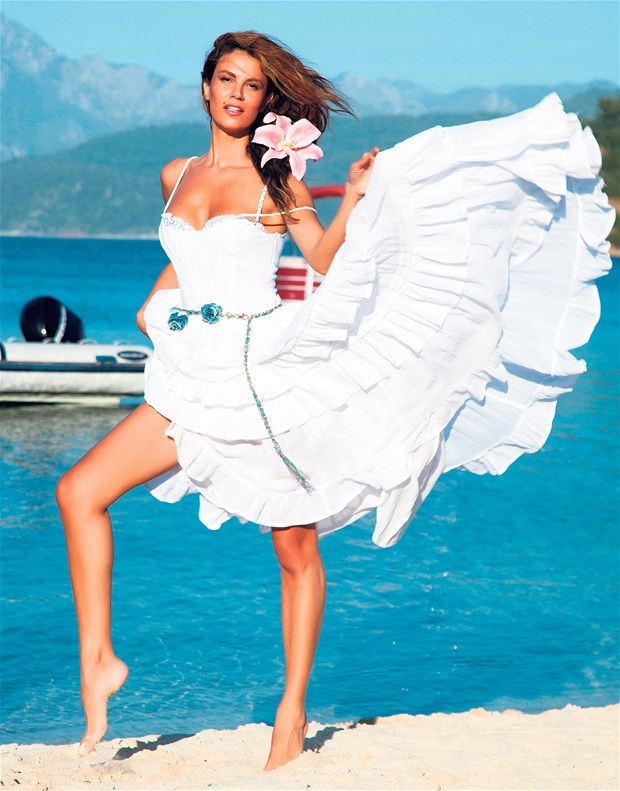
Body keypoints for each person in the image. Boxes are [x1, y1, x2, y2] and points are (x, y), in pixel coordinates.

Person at [55, 30, 615, 773]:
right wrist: (156, 304)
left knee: (293, 545)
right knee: (79, 491)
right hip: (190, 372)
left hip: (263, 374)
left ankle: (291, 711)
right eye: (226, 79)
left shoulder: (277, 178)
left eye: (252, 85)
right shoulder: (175, 173)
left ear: (265, 101)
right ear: (205, 86)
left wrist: (350, 198)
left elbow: (322, 258)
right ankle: (98, 661)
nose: (236, 94)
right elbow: (185, 258)